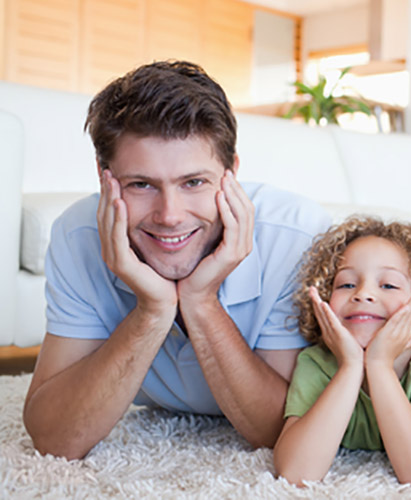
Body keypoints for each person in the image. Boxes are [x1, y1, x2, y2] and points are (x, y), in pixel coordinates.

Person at [23, 60, 331, 459]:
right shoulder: (77, 235)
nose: (170, 215)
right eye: (141, 184)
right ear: (104, 178)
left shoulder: (298, 237)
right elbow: (54, 438)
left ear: (230, 174)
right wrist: (152, 311)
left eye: (194, 182)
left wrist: (201, 303)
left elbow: (283, 429)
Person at [273, 216, 411, 486]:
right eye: (346, 284)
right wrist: (350, 366)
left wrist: (379, 365)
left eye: (388, 285)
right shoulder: (316, 362)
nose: (363, 294)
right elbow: (295, 473)